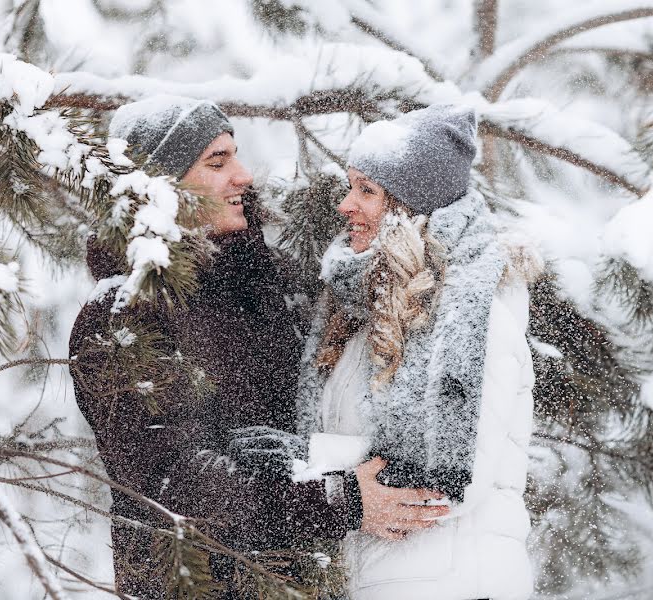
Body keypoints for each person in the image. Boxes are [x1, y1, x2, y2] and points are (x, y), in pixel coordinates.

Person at [68, 95, 448, 598]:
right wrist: (340, 501)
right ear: (159, 188)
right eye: (217, 162)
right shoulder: (121, 316)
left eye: (236, 156)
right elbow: (175, 483)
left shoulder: (276, 282)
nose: (243, 176)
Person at [296, 104, 540, 600]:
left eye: (367, 191)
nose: (345, 205)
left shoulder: (472, 316)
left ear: (410, 207)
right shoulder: (363, 316)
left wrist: (301, 462)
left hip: (454, 585)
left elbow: (446, 480)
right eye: (350, 186)